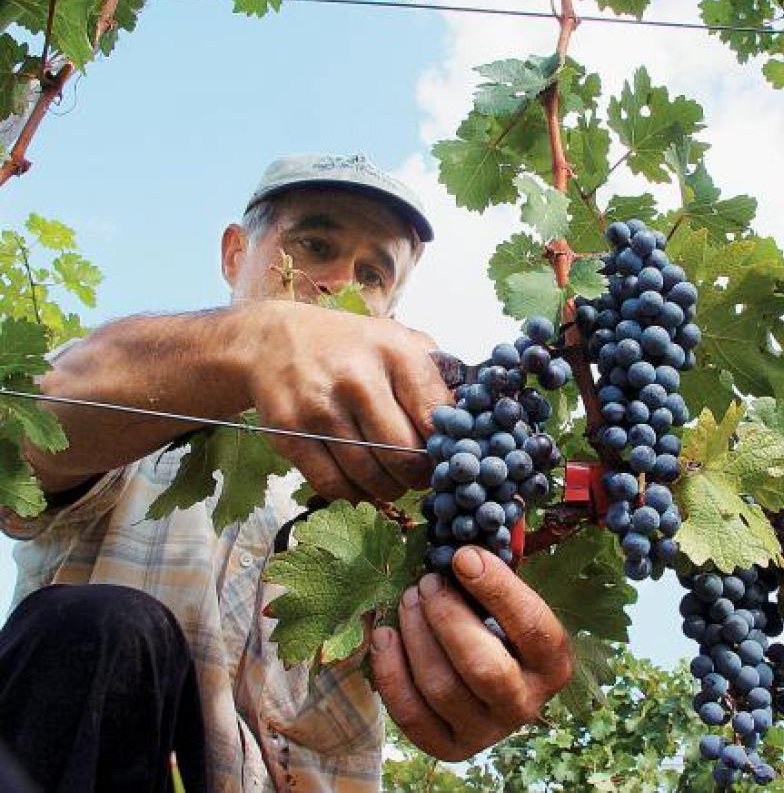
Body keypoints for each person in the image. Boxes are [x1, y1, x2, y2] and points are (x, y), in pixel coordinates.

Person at [0, 153, 574, 793]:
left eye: (374, 273)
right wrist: (256, 340)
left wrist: (479, 678)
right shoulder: (136, 421)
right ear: (233, 253)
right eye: (314, 244)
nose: (337, 281)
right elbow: (25, 428)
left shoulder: (410, 499)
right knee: (100, 627)